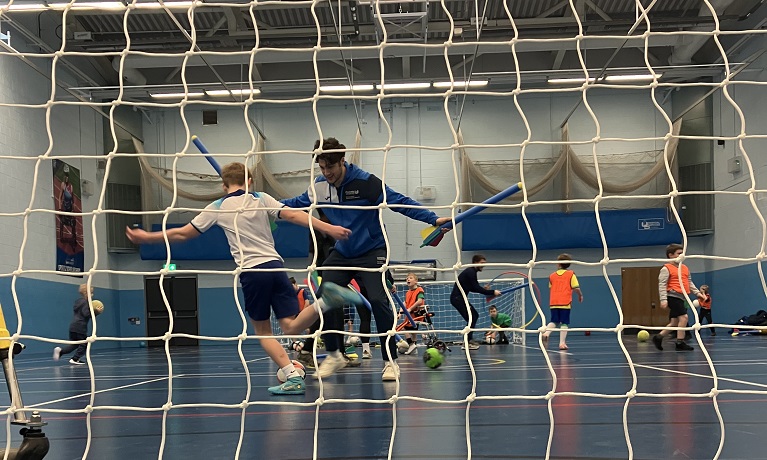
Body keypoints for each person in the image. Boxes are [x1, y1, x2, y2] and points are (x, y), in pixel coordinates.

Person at [125, 162, 364, 395]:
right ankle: (325, 301)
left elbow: (182, 233)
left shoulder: (218, 206)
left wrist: (147, 237)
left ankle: (292, 376)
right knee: (290, 326)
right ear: (249, 181)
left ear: (223, 185)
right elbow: (293, 216)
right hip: (276, 267)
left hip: (252, 271)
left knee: (263, 332)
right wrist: (329, 228)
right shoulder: (261, 198)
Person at [282, 137, 451, 381]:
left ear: (343, 161)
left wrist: (432, 219)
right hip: (343, 251)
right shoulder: (318, 186)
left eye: (331, 167)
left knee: (378, 300)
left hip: (372, 250)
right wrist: (261, 204)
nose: (326, 172)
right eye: (322, 167)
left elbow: (399, 201)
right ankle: (335, 354)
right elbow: (294, 205)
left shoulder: (366, 183)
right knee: (324, 296)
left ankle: (390, 361)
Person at [653, 243, 705, 351]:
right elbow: (661, 284)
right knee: (684, 318)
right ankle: (680, 342)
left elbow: (689, 283)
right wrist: (663, 299)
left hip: (683, 297)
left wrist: (698, 294)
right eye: (679, 253)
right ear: (671, 255)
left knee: (674, 322)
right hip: (673, 295)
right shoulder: (666, 268)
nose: (682, 256)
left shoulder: (685, 268)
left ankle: (658, 337)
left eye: (682, 253)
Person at [450, 254, 501, 350]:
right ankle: (467, 341)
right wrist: (492, 292)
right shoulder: (470, 272)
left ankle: (468, 340)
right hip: (458, 299)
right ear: (475, 262)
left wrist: (485, 290)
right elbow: (476, 288)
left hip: (459, 299)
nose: (483, 265)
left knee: (473, 316)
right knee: (472, 317)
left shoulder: (471, 272)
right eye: (482, 263)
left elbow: (472, 287)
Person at [543, 253, 583, 350]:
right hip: (565, 302)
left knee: (554, 320)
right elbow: (576, 288)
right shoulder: (571, 275)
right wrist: (580, 295)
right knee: (564, 323)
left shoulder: (552, 276)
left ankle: (546, 333)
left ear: (558, 264)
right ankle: (562, 343)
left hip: (554, 302)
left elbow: (550, 287)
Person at [53, 284, 99, 365]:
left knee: (74, 344)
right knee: (84, 343)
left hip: (73, 326)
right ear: (87, 293)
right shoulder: (86, 302)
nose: (92, 295)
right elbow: (86, 314)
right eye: (91, 293)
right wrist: (96, 312)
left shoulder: (78, 301)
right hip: (80, 326)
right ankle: (75, 358)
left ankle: (61, 352)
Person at [402, 273, 426, 355]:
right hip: (409, 314)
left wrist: (410, 309)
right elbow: (405, 303)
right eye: (407, 278)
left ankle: (411, 344)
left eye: (410, 278)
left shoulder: (420, 290)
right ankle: (414, 348)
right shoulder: (408, 292)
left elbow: (419, 301)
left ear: (416, 281)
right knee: (413, 332)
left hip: (416, 314)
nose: (408, 279)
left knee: (404, 329)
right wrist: (400, 312)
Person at [58, 172, 77, 247]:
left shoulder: (71, 186)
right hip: (65, 206)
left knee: (73, 223)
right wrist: (59, 208)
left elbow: (73, 199)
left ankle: (73, 237)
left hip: (70, 207)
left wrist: (74, 208)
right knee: (63, 221)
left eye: (67, 177)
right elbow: (60, 197)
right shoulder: (63, 185)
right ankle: (62, 235)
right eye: (65, 177)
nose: (66, 179)